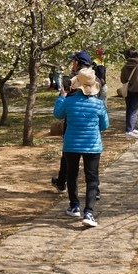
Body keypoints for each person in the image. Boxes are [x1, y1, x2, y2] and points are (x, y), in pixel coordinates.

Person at [53, 66, 108, 228]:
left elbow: (57, 115)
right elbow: (105, 125)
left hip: (71, 144)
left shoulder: (69, 102)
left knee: (72, 175)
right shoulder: (99, 104)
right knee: (92, 178)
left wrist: (62, 97)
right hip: (93, 145)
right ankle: (89, 212)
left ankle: (74, 206)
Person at [51, 51, 96, 193]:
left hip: (72, 123)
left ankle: (62, 183)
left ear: (77, 62)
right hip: (91, 126)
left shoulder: (76, 79)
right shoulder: (94, 77)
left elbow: (61, 109)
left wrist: (62, 96)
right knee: (91, 164)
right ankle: (95, 191)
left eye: (73, 61)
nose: (72, 63)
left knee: (68, 156)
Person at [119, 48, 138, 138]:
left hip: (127, 90)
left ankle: (130, 128)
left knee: (129, 109)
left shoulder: (124, 67)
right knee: (133, 110)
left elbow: (122, 79)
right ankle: (129, 131)